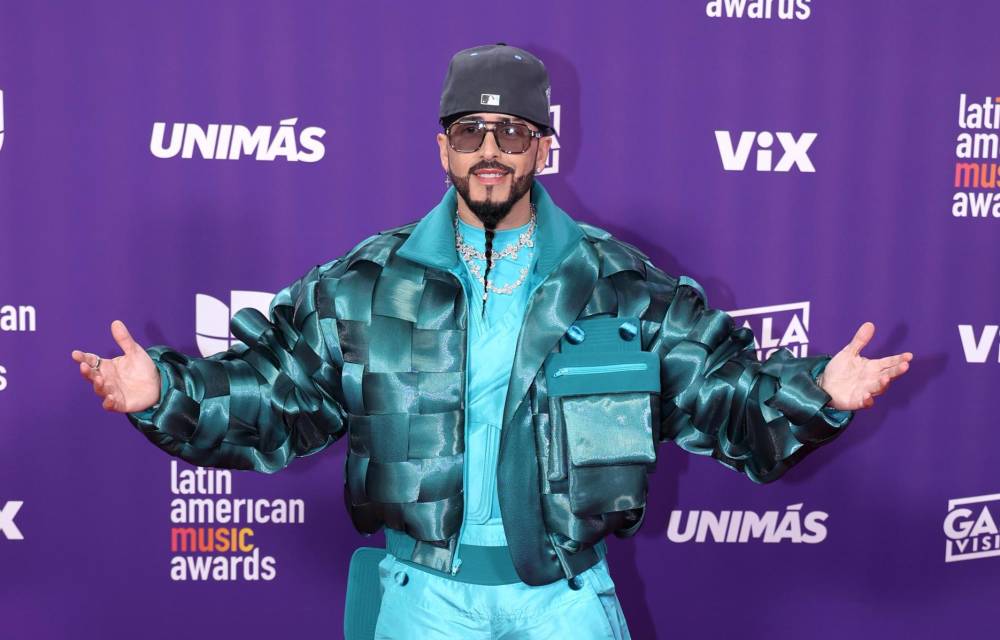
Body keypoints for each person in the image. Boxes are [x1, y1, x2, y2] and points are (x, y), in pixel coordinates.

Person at [70, 42, 913, 639]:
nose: (489, 151)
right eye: (470, 130)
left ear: (544, 147)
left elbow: (722, 399)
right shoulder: (367, 283)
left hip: (565, 601)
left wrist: (819, 395)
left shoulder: (618, 281)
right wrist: (164, 395)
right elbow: (277, 398)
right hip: (421, 598)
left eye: (512, 133)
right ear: (442, 146)